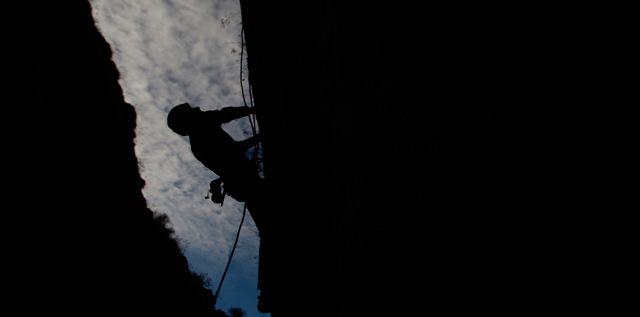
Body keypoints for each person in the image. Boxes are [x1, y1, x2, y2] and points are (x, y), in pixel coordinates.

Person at [167, 102, 274, 312]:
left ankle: (267, 291)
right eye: (192, 110)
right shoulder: (201, 135)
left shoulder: (200, 134)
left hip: (243, 182)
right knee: (270, 229)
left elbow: (225, 116)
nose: (197, 109)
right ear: (188, 120)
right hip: (243, 182)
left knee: (269, 228)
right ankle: (267, 291)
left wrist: (254, 115)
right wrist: (256, 123)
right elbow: (228, 126)